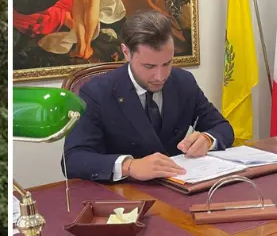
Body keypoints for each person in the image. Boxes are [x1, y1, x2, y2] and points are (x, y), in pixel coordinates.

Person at [63, 10, 234, 182]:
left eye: (167, 63)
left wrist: (207, 139)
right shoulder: (96, 92)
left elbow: (223, 128)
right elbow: (73, 160)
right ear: (126, 52)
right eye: (149, 66)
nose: (160, 76)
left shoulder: (183, 82)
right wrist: (129, 166)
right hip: (126, 192)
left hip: (180, 185)